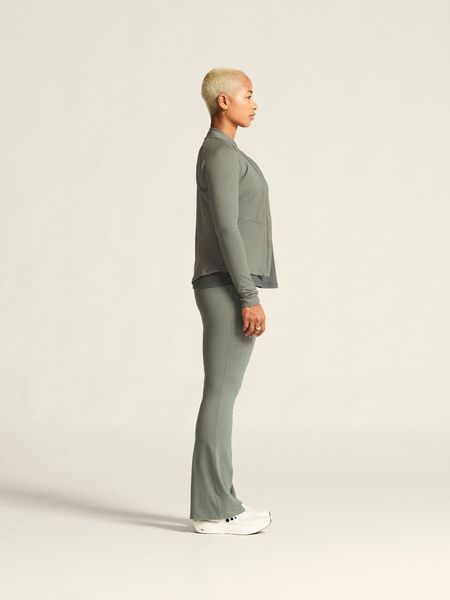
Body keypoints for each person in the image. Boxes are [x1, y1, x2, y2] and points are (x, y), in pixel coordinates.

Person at [189, 67, 279, 535]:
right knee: (221, 395)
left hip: (227, 284)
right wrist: (248, 296)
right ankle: (213, 509)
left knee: (223, 395)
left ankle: (221, 501)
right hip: (227, 287)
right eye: (247, 94)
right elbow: (227, 227)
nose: (254, 102)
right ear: (223, 101)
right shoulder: (220, 153)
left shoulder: (224, 152)